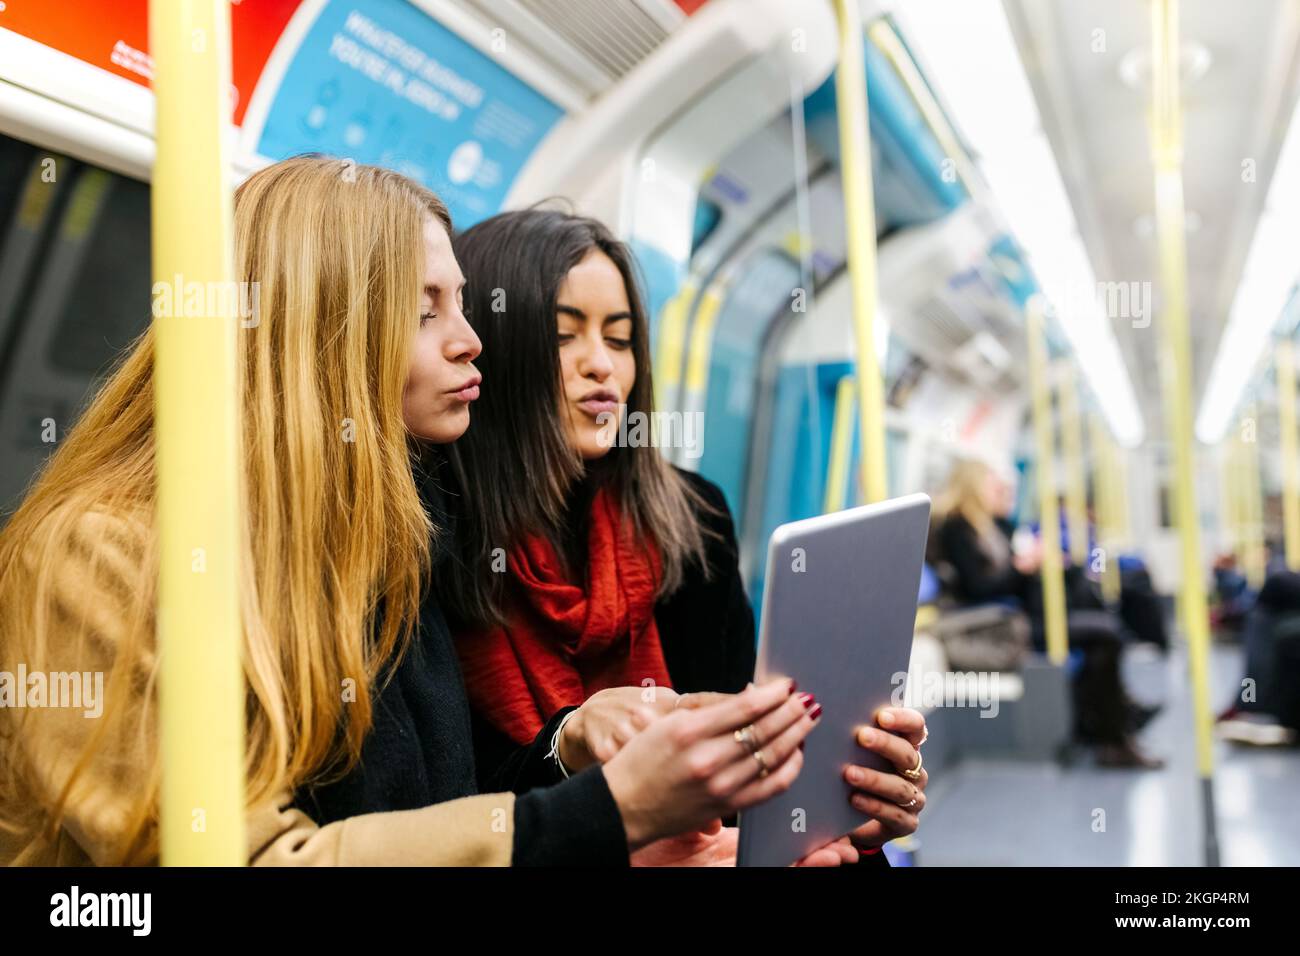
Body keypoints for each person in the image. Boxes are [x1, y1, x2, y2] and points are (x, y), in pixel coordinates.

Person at [0, 157, 827, 866]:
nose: (471, 341)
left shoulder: (376, 544)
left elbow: (422, 819)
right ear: (320, 327)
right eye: (426, 308)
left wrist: (586, 782)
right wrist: (607, 813)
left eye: (462, 305)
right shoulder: (99, 553)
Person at [436, 208, 930, 863]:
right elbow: (448, 823)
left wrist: (839, 805)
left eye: (618, 340)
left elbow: (742, 764)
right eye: (563, 336)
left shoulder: (691, 523)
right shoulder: (433, 546)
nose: (601, 367)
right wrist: (567, 748)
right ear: (489, 348)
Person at [933, 459, 1162, 769]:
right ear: (974, 485)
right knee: (1103, 635)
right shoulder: (957, 528)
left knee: (1099, 627)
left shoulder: (991, 526)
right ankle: (1112, 733)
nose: (1001, 491)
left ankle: (1108, 723)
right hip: (992, 626)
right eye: (993, 484)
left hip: (1013, 616)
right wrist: (1022, 567)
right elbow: (980, 588)